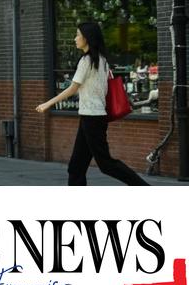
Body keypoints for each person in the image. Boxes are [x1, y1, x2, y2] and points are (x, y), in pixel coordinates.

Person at [36, 22, 149, 186]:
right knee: (76, 166)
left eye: (77, 35)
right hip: (91, 117)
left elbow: (73, 88)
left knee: (106, 165)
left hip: (92, 119)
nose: (75, 39)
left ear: (87, 38)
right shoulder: (102, 60)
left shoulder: (86, 61)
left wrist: (48, 103)